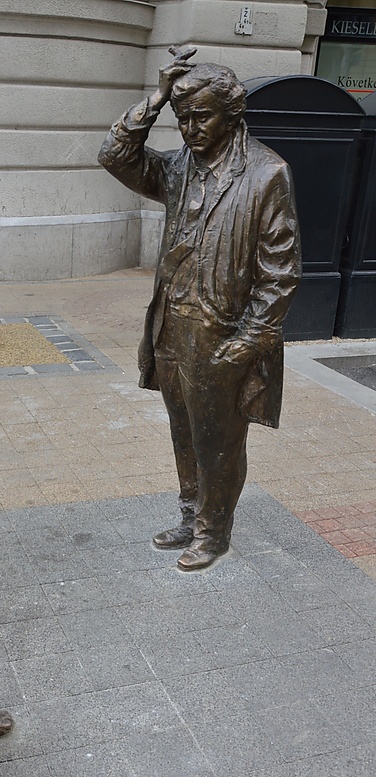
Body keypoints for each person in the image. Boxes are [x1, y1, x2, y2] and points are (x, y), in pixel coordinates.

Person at [98, 47, 301, 571]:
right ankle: (191, 516)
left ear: (231, 115)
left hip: (222, 334)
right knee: (183, 432)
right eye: (182, 118)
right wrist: (157, 97)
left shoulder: (266, 173)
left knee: (219, 442)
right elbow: (115, 156)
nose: (190, 129)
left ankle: (214, 531)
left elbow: (280, 271)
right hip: (171, 326)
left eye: (201, 117)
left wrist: (249, 340)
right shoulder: (177, 168)